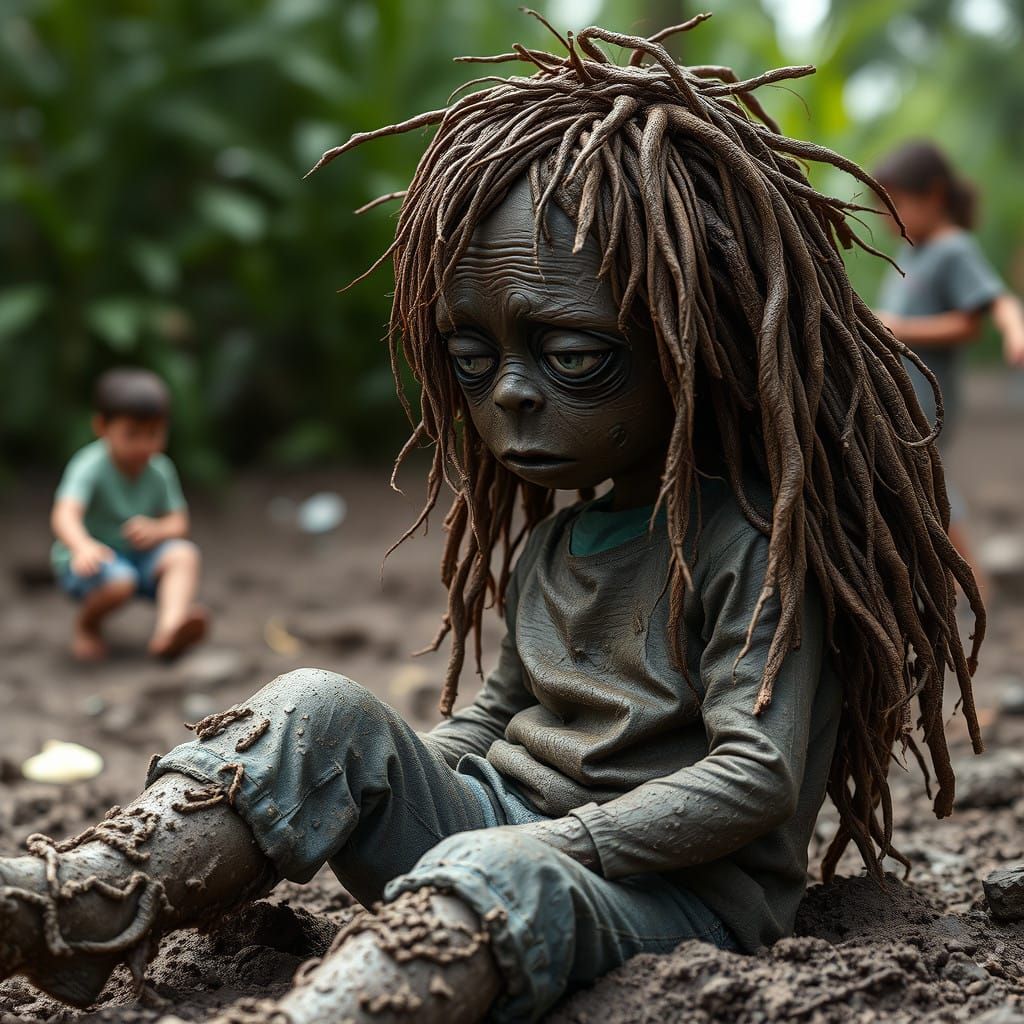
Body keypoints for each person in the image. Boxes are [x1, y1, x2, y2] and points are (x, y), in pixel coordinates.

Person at [0, 20, 985, 1024]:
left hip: (672, 895)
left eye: (572, 356)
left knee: (499, 873)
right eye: (474, 360)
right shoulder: (556, 544)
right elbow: (495, 714)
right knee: (318, 706)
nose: (509, 394)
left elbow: (756, 776)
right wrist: (370, 773)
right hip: (496, 839)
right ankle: (89, 901)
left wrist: (553, 844)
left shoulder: (753, 549)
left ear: (702, 344)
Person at [873, 140, 1024, 580]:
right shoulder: (912, 252)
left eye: (895, 204)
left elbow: (979, 316)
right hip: (904, 396)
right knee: (916, 481)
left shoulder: (952, 249)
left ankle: (971, 579)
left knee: (926, 480)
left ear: (934, 195)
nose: (885, 217)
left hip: (927, 399)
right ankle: (947, 580)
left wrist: (1014, 330)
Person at [50, 367, 207, 661]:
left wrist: (157, 530)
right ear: (102, 427)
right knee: (120, 581)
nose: (144, 445)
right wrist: (82, 546)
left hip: (138, 557)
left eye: (154, 434)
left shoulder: (160, 469)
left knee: (184, 555)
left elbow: (179, 522)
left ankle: (170, 631)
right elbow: (64, 514)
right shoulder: (90, 465)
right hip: (93, 564)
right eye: (132, 434)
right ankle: (87, 625)